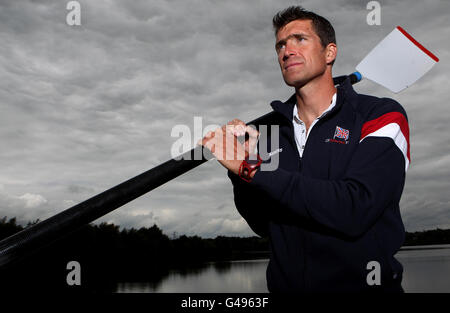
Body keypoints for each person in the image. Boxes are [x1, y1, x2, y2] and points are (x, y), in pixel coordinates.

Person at [199, 6, 409, 292]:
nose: (287, 51)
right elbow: (264, 224)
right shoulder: (272, 134)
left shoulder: (380, 116)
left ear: (329, 52)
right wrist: (241, 169)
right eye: (281, 45)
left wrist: (251, 169)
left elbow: (355, 209)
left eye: (300, 39)